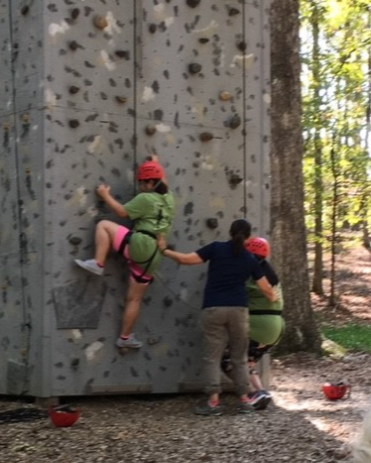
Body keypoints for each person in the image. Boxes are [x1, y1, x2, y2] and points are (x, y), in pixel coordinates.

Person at [157, 219, 278, 415]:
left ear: (230, 232)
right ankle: (245, 400)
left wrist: (164, 250)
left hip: (213, 308)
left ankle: (213, 403)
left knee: (212, 358)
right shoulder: (250, 259)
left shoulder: (216, 248)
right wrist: (273, 297)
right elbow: (266, 289)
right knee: (239, 357)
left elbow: (186, 259)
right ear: (248, 237)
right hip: (239, 311)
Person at [75, 155, 175, 349]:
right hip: (153, 257)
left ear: (148, 183)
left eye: (141, 183)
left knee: (104, 225)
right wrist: (155, 163)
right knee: (134, 298)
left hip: (140, 244)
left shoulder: (146, 198)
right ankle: (125, 337)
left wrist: (105, 195)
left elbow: (122, 212)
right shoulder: (169, 198)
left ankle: (98, 263)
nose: (140, 187)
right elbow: (164, 181)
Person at [221, 237, 284, 410]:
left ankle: (249, 394)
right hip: (276, 329)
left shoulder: (250, 274)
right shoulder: (270, 272)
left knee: (228, 360)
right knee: (248, 362)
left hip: (258, 326)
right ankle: (261, 392)